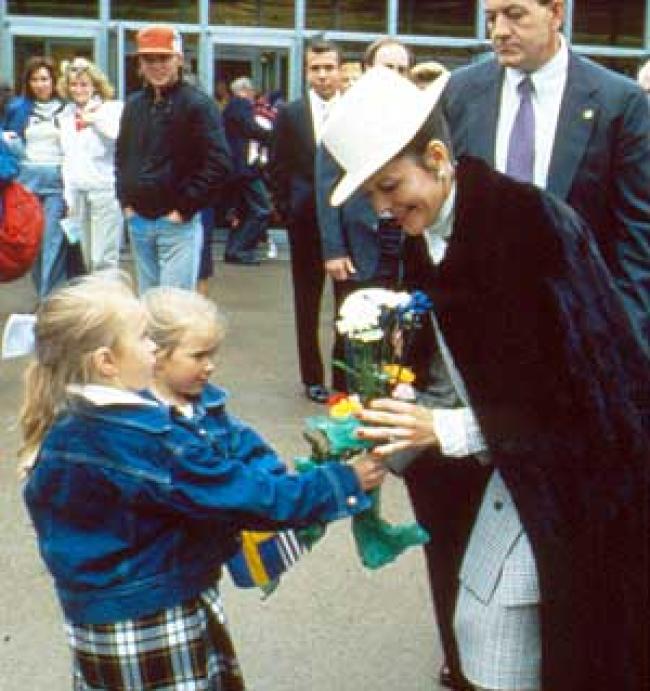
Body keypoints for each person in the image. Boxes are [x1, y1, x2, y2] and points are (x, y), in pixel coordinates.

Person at [322, 66, 649, 691]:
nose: (384, 208)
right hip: (498, 469)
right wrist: (391, 416)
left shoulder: (527, 225)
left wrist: (445, 425)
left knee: (498, 626)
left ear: (439, 157)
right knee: (482, 630)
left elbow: (591, 397)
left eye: (390, 187)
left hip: (575, 481)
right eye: (372, 196)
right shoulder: (429, 228)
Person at [19, 273, 386, 690]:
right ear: (106, 361)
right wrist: (343, 481)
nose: (153, 348)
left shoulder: (71, 424)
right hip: (152, 611)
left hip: (101, 613)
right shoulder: (144, 439)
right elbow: (242, 497)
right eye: (143, 339)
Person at [442, 0, 650, 351]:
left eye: (515, 14)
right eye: (491, 18)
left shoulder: (619, 102)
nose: (499, 31)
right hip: (479, 330)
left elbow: (638, 237)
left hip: (583, 334)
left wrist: (623, 340)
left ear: (556, 13)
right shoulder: (458, 93)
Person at [313, 37, 414, 393]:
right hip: (357, 244)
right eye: (388, 67)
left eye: (403, 69)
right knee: (354, 330)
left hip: (404, 240)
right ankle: (347, 406)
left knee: (400, 329)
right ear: (369, 70)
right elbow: (326, 190)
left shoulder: (418, 118)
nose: (396, 75)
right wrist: (333, 250)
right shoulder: (342, 119)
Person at [115, 24, 231, 293]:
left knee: (171, 312)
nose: (156, 65)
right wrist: (126, 201)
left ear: (179, 60)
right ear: (139, 64)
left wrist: (184, 208)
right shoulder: (133, 105)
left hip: (176, 224)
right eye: (148, 59)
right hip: (139, 221)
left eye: (163, 58)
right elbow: (122, 156)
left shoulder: (198, 105)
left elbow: (219, 163)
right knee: (147, 305)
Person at [268, 36, 343, 403]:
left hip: (346, 222)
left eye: (329, 67)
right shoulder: (291, 114)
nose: (324, 75)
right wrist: (286, 206)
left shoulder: (354, 110)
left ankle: (345, 375)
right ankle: (312, 376)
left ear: (340, 69)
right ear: (306, 71)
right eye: (316, 68)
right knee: (307, 301)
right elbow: (276, 164)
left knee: (350, 303)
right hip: (305, 221)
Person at [3, 56, 68, 299]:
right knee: (33, 244)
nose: (40, 84)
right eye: (34, 79)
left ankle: (48, 300)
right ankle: (43, 294)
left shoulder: (67, 108)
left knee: (52, 242)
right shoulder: (18, 108)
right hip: (26, 184)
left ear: (53, 81)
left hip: (56, 184)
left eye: (44, 79)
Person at [58, 57, 123, 273]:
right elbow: (68, 158)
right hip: (78, 194)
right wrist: (68, 198)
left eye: (84, 84)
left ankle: (108, 305)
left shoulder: (110, 109)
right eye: (74, 84)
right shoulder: (66, 115)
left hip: (104, 191)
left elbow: (118, 136)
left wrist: (93, 120)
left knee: (103, 258)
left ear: (95, 85)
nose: (78, 89)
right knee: (86, 258)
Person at [222, 76, 273, 265]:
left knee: (245, 210)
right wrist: (274, 135)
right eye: (252, 92)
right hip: (244, 169)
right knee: (262, 208)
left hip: (237, 168)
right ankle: (240, 249)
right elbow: (251, 128)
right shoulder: (240, 104)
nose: (253, 96)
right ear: (245, 91)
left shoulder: (230, 106)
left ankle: (234, 250)